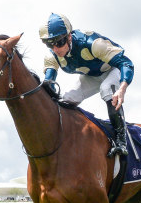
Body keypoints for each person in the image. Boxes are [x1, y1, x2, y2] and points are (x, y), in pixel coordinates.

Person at [39, 13, 134, 157]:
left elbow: (126, 63)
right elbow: (48, 86)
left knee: (106, 88)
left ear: (69, 37)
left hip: (113, 70)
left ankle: (121, 141)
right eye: (49, 44)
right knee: (66, 99)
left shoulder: (93, 44)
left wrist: (122, 88)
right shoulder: (51, 57)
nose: (55, 49)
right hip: (91, 76)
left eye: (59, 42)